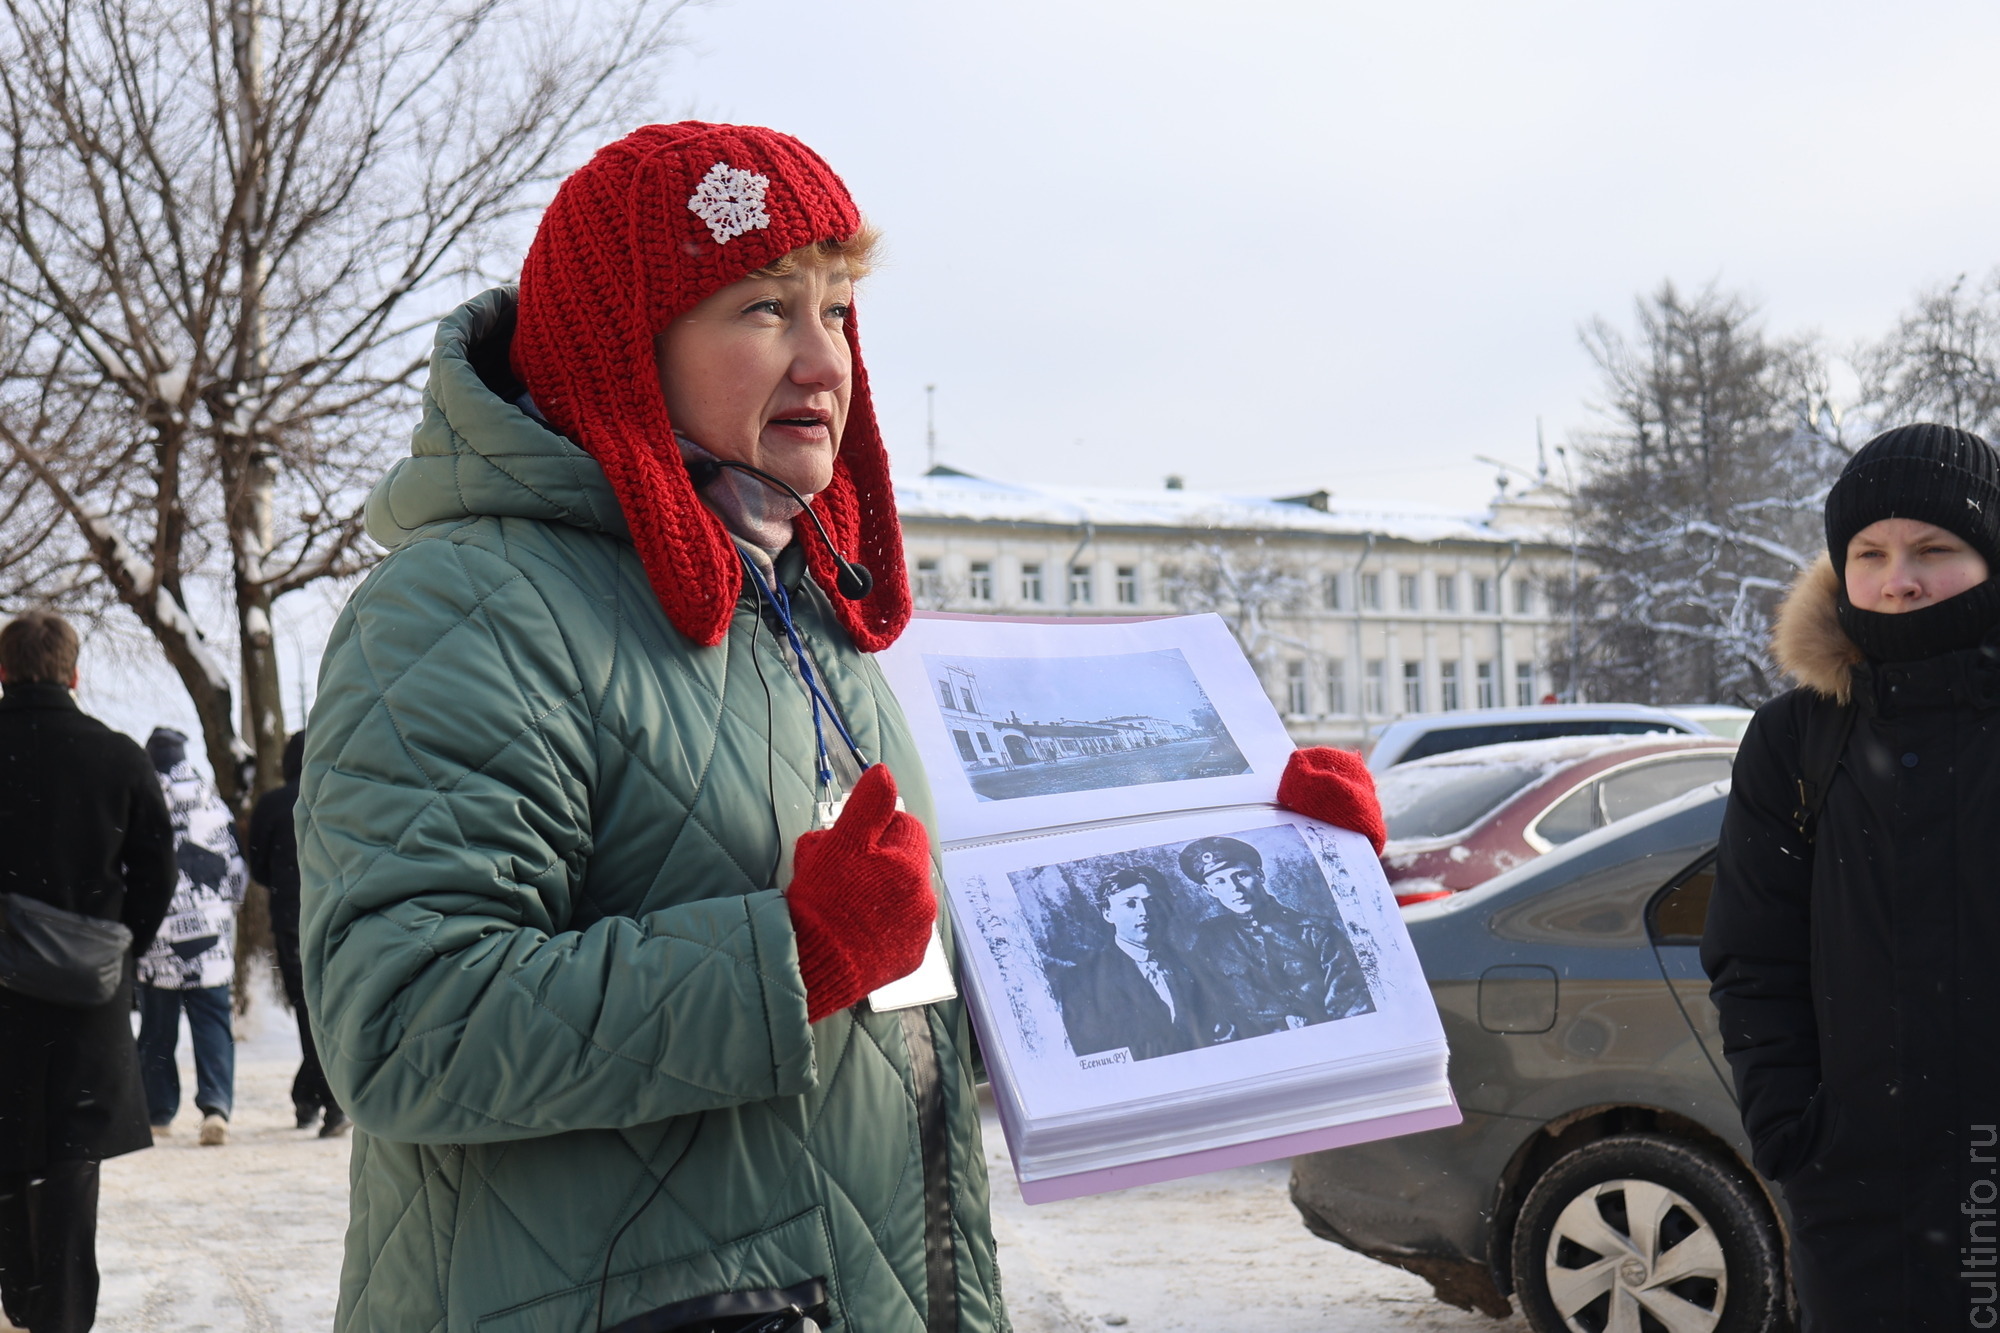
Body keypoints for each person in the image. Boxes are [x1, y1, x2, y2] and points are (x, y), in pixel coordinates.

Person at [297, 122, 1387, 1332]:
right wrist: (788, 953)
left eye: (838, 307)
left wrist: (1250, 860)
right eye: (765, 308)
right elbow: (405, 1024)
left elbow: (918, 984)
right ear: (623, 349)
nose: (826, 363)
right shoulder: (470, 604)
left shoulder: (812, 615)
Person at [1705, 422, 2000, 1332]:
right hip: (1858, 1194)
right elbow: (1754, 958)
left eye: (1934, 549)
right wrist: (1796, 1136)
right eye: (1868, 552)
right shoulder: (1798, 738)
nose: (1897, 577)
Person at [0, 610, 175, 1332]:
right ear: (75, 673)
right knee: (73, 1164)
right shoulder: (119, 756)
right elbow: (157, 872)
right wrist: (113, 941)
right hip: (86, 996)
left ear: (3, 671)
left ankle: (18, 1294)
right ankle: (63, 1314)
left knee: (6, 1152)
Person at [134, 728, 247, 1148]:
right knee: (213, 1023)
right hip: (210, 939)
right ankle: (216, 1107)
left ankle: (158, 1112)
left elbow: (128, 870)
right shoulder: (213, 806)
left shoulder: (139, 805)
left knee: (157, 1028)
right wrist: (219, 913)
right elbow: (236, 871)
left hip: (157, 938)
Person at [247, 731, 345, 1137]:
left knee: (308, 1011)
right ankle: (315, 1096)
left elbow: (257, 868)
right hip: (338, 913)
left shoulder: (271, 805)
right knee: (330, 1009)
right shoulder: (339, 798)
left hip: (293, 918)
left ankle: (321, 1099)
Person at [1178, 835, 1374, 1037]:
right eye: (1220, 882)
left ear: (1259, 875)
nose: (1234, 889)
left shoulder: (1316, 932)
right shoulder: (1210, 941)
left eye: (1241, 876)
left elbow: (1351, 1004)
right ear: (1209, 890)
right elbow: (1210, 1008)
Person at [1052, 867, 1207, 1060]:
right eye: (1131, 904)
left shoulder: (1194, 963)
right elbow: (1097, 1053)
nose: (1145, 912)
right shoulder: (1081, 980)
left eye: (1152, 902)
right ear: (1108, 913)